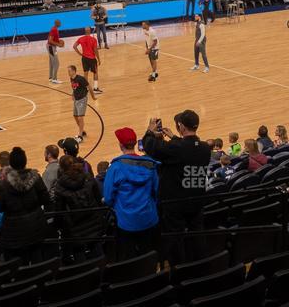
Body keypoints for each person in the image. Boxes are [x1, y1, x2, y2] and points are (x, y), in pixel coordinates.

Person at [143, 110, 212, 265]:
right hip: (197, 199)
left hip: (176, 203)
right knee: (197, 234)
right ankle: (201, 265)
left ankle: (179, 268)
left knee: (175, 238)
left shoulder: (176, 148)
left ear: (181, 126)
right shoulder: (205, 148)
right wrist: (174, 137)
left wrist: (149, 131)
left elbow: (150, 147)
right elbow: (188, 149)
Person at [105, 128, 161, 258]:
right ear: (135, 143)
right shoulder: (150, 165)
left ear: (120, 145)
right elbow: (156, 192)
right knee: (148, 256)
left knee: (129, 259)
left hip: (126, 222)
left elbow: (108, 198)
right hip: (149, 218)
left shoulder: (115, 168)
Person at [0, 147, 52, 263]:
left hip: (14, 232)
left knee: (20, 268)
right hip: (36, 227)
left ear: (11, 164)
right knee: (38, 263)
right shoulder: (36, 177)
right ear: (25, 162)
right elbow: (46, 199)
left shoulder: (4, 184)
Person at [53, 154, 108, 263]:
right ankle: (103, 275)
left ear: (61, 168)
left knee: (80, 257)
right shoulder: (87, 176)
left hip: (75, 229)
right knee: (98, 252)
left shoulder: (60, 186)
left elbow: (59, 212)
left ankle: (86, 277)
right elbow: (98, 200)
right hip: (93, 222)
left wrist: (59, 226)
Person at [65, 64, 96, 143]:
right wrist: (73, 95)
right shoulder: (71, 78)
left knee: (80, 117)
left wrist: (93, 97)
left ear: (74, 71)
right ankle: (82, 131)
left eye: (69, 71)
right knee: (75, 116)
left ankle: (80, 136)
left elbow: (89, 87)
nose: (68, 72)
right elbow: (74, 88)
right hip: (76, 99)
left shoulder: (81, 79)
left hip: (82, 99)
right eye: (68, 71)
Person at [74, 26, 103, 94]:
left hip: (84, 58)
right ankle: (95, 88)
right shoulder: (93, 39)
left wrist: (79, 53)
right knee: (95, 73)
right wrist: (98, 59)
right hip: (92, 58)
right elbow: (95, 50)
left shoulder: (81, 39)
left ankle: (85, 88)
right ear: (90, 31)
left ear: (85, 31)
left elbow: (74, 46)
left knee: (85, 73)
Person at [47, 19, 63, 84]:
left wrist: (58, 42)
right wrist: (58, 44)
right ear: (56, 23)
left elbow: (50, 39)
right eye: (59, 22)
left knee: (51, 63)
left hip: (50, 46)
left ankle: (51, 78)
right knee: (56, 63)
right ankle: (54, 79)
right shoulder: (54, 29)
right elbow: (50, 40)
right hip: (51, 47)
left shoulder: (54, 29)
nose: (60, 23)